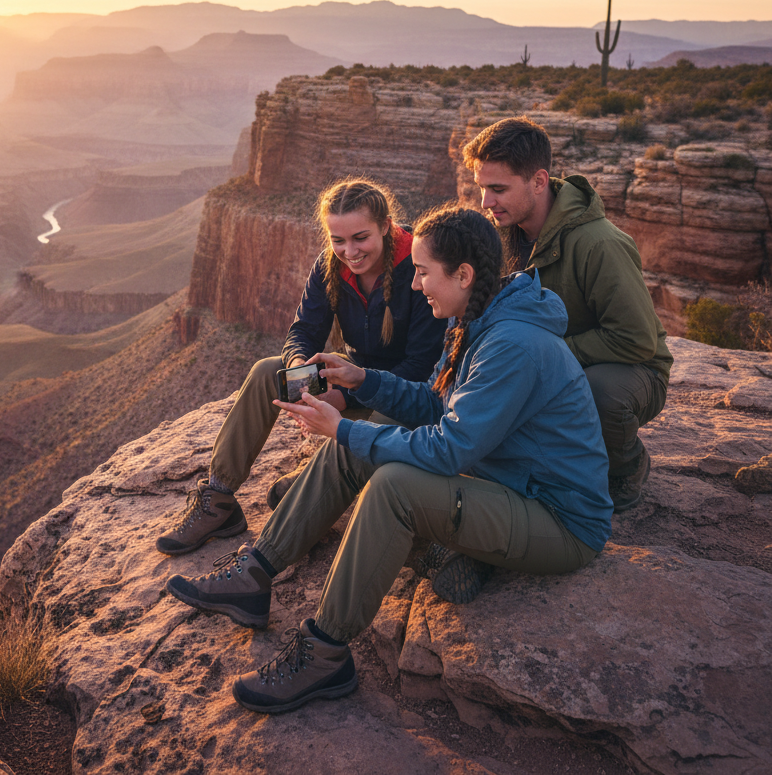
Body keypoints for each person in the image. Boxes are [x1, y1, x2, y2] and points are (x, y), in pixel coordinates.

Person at [165, 205, 611, 713]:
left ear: (463, 274)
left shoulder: (511, 343)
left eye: (423, 272)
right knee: (367, 438)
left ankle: (326, 652)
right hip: (509, 487)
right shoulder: (477, 316)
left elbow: (449, 447)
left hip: (559, 519)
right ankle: (254, 575)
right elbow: (434, 403)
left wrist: (343, 426)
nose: (416, 284)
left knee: (391, 484)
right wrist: (363, 380)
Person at [154, 176, 447, 556]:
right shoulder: (330, 267)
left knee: (374, 427)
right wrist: (299, 378)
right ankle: (219, 498)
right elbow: (304, 332)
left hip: (402, 397)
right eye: (337, 240)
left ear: (386, 226)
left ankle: (309, 487)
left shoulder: (418, 269)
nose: (349, 251)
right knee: (266, 371)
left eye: (360, 238)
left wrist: (341, 397)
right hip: (350, 377)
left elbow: (420, 366)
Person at [460, 115, 671, 512]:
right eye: (482, 188)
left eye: (498, 189)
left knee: (600, 396)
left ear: (538, 182)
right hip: (549, 361)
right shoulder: (500, 234)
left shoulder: (599, 244)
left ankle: (625, 466)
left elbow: (637, 339)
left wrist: (548, 358)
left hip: (629, 369)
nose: (486, 202)